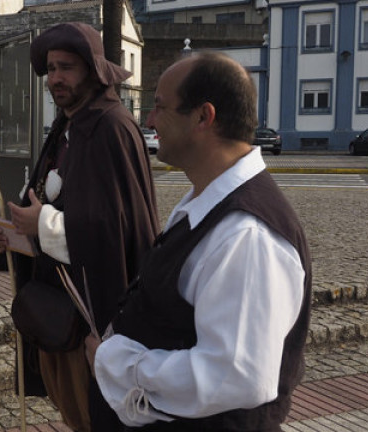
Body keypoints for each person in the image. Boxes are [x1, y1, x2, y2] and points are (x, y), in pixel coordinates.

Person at [85, 52, 311, 430]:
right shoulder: (209, 201)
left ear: (203, 117)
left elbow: (237, 375)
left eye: (159, 107)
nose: (150, 120)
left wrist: (117, 362)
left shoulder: (246, 235)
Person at [0, 22, 159, 431]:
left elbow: (118, 230)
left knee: (96, 417)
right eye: (50, 69)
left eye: (66, 67)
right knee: (74, 414)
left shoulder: (111, 127)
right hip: (60, 311)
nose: (55, 78)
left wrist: (42, 223)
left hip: (94, 318)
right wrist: (19, 233)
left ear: (93, 70)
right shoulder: (70, 125)